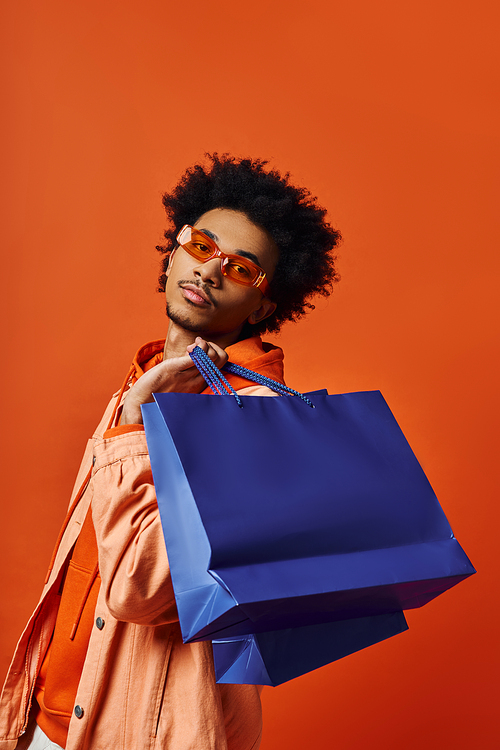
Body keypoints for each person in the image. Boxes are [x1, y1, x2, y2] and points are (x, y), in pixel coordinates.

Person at [0, 154, 341, 750]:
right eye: (202, 246)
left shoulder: (253, 418)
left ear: (263, 307)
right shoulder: (150, 376)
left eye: (239, 268)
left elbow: (141, 586)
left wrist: (133, 423)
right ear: (173, 252)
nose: (210, 271)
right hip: (49, 719)